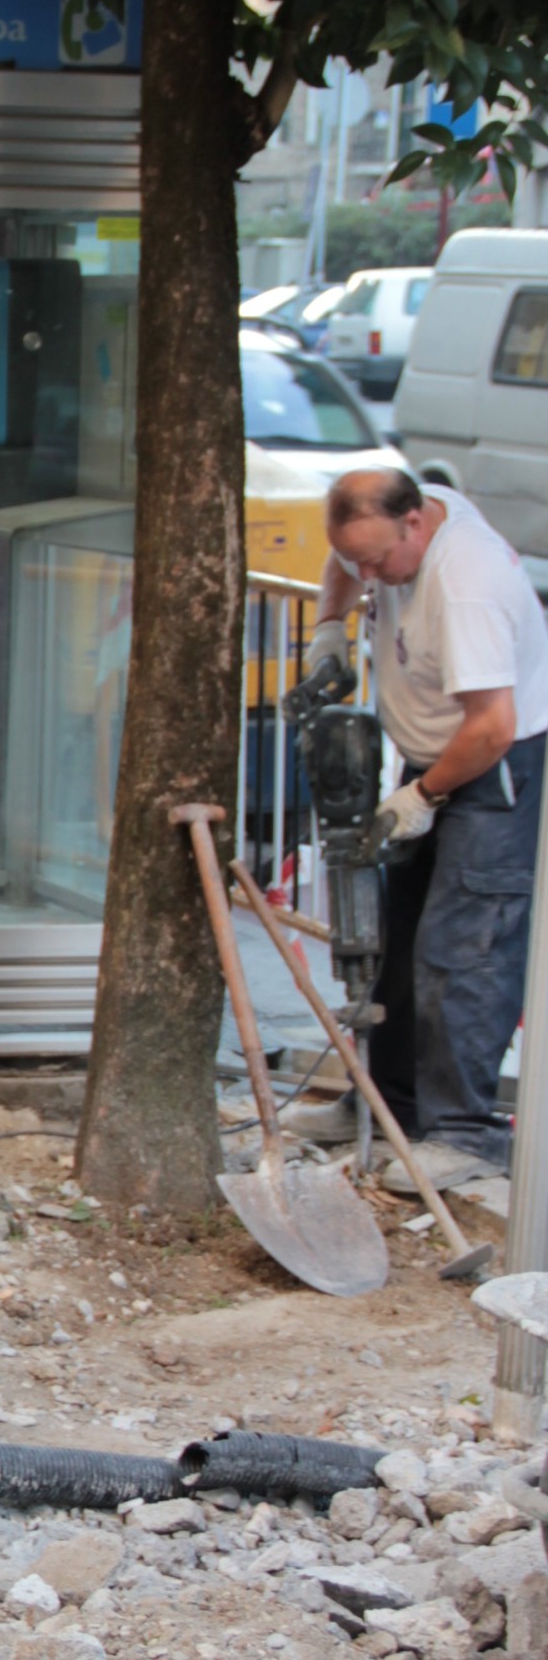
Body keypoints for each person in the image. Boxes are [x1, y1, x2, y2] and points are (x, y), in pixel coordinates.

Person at [312, 467, 548, 1175]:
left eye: (379, 561)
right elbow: (345, 557)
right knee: (398, 939)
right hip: (431, 761)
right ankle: (389, 1108)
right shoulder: (390, 527)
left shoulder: (465, 583)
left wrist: (422, 798)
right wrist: (330, 626)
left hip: (489, 771)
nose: (368, 574)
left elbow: (492, 728)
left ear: (416, 524)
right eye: (359, 561)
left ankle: (465, 1133)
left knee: (463, 949)